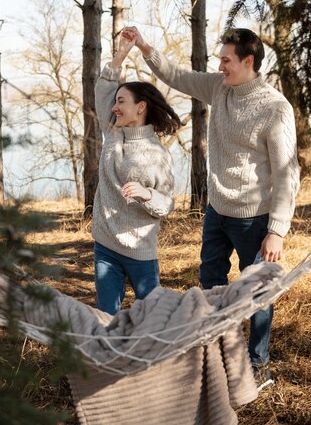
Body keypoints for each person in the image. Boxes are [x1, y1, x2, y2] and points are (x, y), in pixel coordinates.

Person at [122, 25, 300, 389]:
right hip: (217, 211)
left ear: (248, 61)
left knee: (257, 293)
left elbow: (287, 174)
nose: (219, 66)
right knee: (210, 284)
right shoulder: (220, 88)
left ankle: (258, 364)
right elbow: (179, 76)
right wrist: (144, 47)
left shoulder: (275, 109)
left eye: (226, 60)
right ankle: (219, 354)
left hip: (255, 218)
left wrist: (277, 230)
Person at [92, 33, 181, 316]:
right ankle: (108, 360)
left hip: (140, 251)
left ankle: (153, 361)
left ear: (140, 108)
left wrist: (146, 194)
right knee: (107, 318)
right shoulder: (113, 132)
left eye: (122, 101)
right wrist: (121, 54)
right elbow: (103, 89)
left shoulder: (158, 154)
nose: (115, 107)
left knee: (152, 319)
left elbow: (167, 205)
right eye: (115, 102)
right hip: (105, 244)